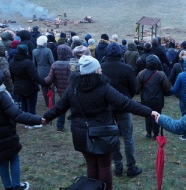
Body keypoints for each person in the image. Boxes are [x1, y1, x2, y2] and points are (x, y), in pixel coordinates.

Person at [42, 56, 159, 189]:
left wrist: (46, 117)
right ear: (94, 70)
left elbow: (59, 107)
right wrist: (149, 112)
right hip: (103, 132)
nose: (101, 69)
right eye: (98, 67)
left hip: (81, 132)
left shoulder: (73, 86)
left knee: (91, 165)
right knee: (104, 166)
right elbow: (125, 103)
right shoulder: (104, 87)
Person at [100, 42, 142, 177]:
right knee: (128, 137)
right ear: (120, 53)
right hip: (123, 106)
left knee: (112, 137)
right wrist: (127, 98)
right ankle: (131, 167)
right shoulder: (127, 68)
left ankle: (118, 167)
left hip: (106, 107)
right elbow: (134, 89)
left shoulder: (100, 68)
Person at [9, 44, 48, 128]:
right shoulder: (28, 63)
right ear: (26, 52)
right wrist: (45, 83)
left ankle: (26, 122)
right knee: (31, 105)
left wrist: (15, 84)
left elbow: (11, 76)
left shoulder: (12, 62)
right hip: (30, 87)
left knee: (24, 105)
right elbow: (35, 77)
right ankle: (32, 123)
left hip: (18, 86)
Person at [137, 55, 171, 139]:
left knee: (147, 114)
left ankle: (148, 132)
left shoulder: (141, 73)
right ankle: (156, 133)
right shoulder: (161, 74)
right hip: (157, 99)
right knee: (157, 115)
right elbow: (167, 88)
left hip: (145, 99)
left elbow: (137, 88)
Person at [44, 44, 73, 132]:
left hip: (61, 91)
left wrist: (42, 81)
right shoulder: (72, 64)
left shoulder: (54, 65)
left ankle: (59, 126)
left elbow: (49, 80)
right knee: (74, 109)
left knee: (61, 108)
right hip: (72, 91)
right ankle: (73, 127)